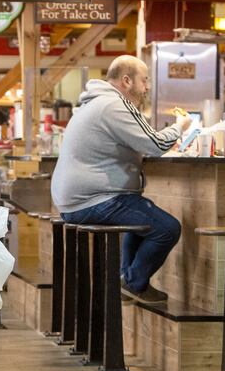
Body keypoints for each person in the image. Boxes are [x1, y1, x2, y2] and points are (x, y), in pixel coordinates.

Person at [50, 55, 192, 304]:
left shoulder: (97, 103)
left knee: (142, 215)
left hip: (75, 201)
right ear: (127, 80)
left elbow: (139, 141)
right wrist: (181, 126)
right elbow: (156, 144)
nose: (147, 87)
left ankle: (126, 280)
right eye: (144, 80)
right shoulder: (114, 104)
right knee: (167, 228)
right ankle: (133, 282)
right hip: (93, 199)